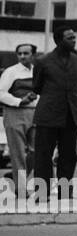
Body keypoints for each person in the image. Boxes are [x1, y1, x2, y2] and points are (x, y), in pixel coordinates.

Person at [30, 26, 77, 201]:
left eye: (74, 37)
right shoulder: (42, 62)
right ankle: (42, 192)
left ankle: (64, 190)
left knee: (68, 155)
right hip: (48, 114)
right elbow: (37, 87)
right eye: (69, 38)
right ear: (58, 40)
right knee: (43, 155)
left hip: (71, 115)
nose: (73, 40)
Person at [0, 42, 39, 188]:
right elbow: (1, 93)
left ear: (33, 55)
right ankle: (21, 188)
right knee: (18, 153)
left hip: (34, 113)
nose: (22, 56)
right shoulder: (11, 72)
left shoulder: (37, 72)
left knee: (37, 150)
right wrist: (19, 101)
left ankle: (17, 177)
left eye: (26, 53)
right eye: (19, 54)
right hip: (14, 113)